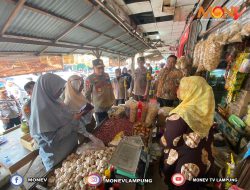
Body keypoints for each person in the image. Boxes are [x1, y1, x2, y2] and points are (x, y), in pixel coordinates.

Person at [159, 76, 215, 190]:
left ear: (190, 90)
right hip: (204, 162)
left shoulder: (182, 113)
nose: (178, 89)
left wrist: (160, 140)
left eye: (181, 86)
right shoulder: (205, 111)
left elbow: (169, 141)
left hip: (184, 167)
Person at [29, 73, 83, 171]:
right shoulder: (41, 113)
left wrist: (74, 115)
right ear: (48, 89)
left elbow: (65, 117)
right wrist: (74, 121)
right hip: (58, 160)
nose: (61, 91)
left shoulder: (55, 101)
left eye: (62, 88)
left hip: (71, 151)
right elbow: (53, 140)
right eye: (58, 89)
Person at [85, 59, 115, 125]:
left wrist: (113, 99)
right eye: (99, 68)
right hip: (99, 108)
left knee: (111, 125)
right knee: (101, 127)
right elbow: (87, 95)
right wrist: (89, 109)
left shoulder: (106, 75)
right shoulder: (89, 79)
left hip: (109, 106)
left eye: (102, 68)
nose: (101, 70)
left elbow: (110, 88)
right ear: (93, 68)